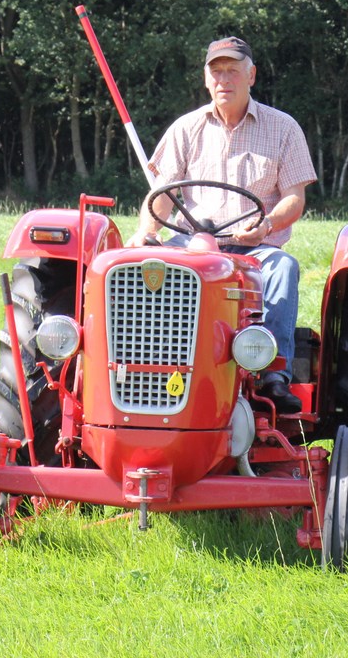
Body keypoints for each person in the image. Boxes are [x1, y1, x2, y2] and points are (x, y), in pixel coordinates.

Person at [128, 36, 317, 413]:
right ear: (206, 79)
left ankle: (272, 375)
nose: (224, 80)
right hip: (191, 245)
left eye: (233, 71)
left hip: (255, 247)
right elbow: (162, 194)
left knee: (283, 267)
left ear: (252, 76)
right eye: (217, 72)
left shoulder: (283, 128)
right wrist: (145, 232)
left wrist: (265, 226)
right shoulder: (186, 128)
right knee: (143, 267)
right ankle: (144, 367)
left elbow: (294, 199)